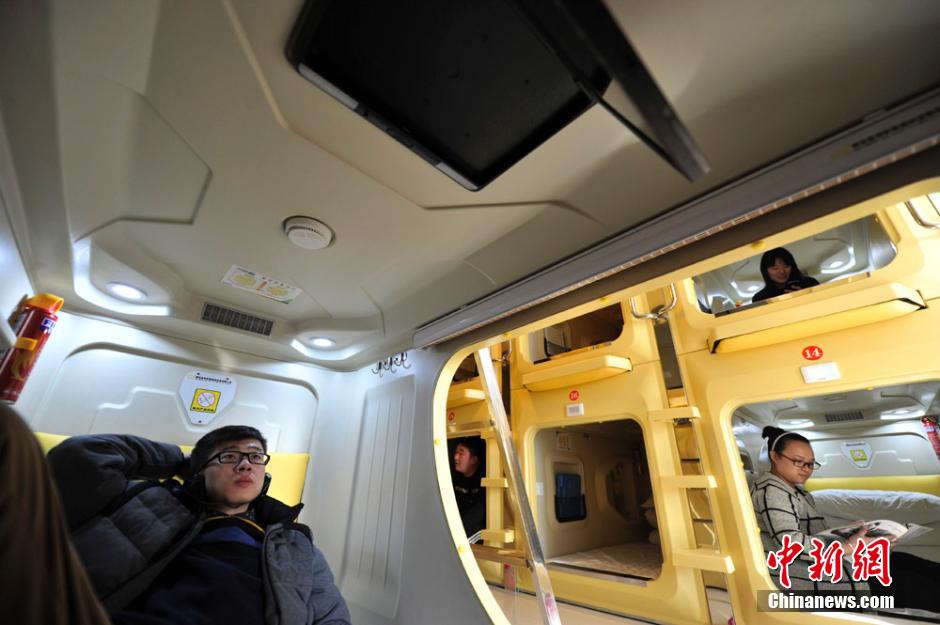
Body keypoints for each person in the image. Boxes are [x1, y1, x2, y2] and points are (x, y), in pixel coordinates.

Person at [0, 400, 350, 625]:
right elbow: (80, 457)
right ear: (200, 470)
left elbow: (332, 618)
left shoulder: (294, 543)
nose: (246, 464)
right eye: (229, 456)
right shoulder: (147, 498)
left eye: (255, 456)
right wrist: (180, 462)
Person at [752, 425, 940, 612]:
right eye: (798, 461)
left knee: (900, 560)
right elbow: (790, 542)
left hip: (821, 561)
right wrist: (848, 547)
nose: (806, 469)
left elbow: (814, 535)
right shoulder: (772, 491)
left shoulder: (795, 491)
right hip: (803, 575)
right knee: (909, 583)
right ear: (774, 456)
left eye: (810, 464)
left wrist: (850, 534)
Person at [751, 247, 819, 303]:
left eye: (786, 266)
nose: (782, 271)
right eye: (775, 268)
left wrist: (805, 297)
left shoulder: (810, 283)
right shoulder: (760, 298)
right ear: (765, 271)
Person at [452, 437, 485, 540]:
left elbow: (478, 513)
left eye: (461, 453)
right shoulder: (452, 478)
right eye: (456, 452)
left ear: (473, 460)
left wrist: (458, 534)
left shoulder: (484, 480)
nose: (456, 457)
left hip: (469, 533)